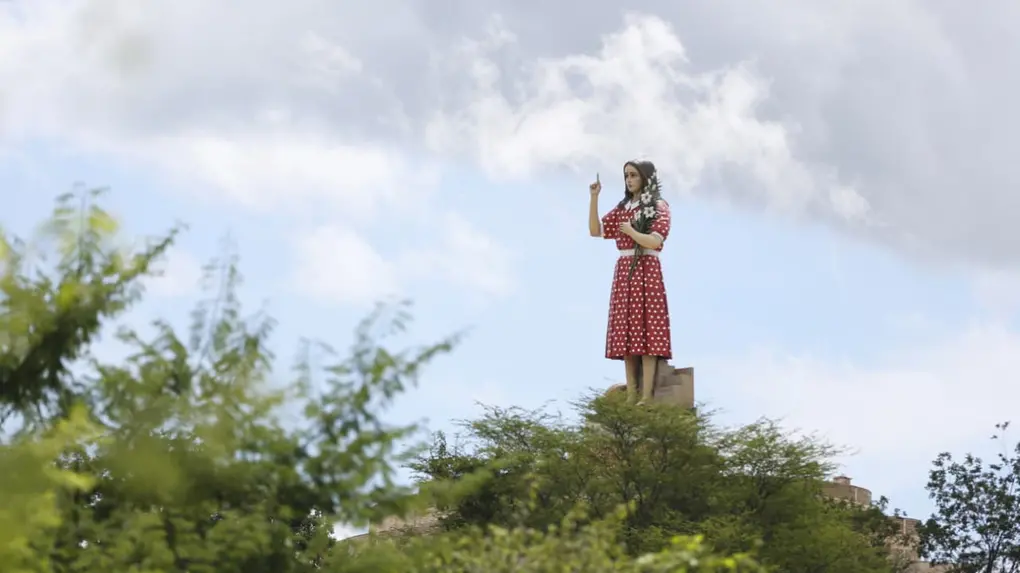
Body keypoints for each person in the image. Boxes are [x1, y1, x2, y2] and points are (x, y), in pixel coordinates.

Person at [588, 160, 672, 404]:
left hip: (647, 267)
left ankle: (646, 395)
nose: (629, 180)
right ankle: (632, 394)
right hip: (625, 270)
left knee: (648, 333)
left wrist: (633, 232)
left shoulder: (658, 205)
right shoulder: (624, 207)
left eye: (634, 175)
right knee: (628, 334)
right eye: (626, 175)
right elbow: (596, 230)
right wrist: (594, 198)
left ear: (646, 177)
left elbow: (655, 241)